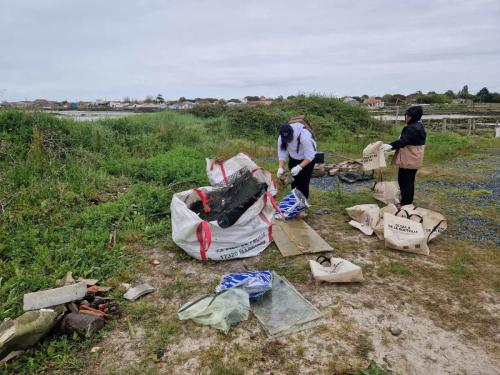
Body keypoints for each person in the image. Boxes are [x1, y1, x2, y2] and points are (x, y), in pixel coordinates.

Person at [383, 106, 426, 207]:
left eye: (407, 115)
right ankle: (409, 201)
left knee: (404, 181)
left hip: (408, 159)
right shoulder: (419, 126)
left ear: (412, 117)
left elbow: (404, 141)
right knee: (410, 180)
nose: (406, 117)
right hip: (415, 159)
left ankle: (405, 204)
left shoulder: (411, 128)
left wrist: (390, 145)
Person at [276, 115, 317, 198]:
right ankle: (294, 202)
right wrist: (280, 167)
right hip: (293, 158)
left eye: (289, 138)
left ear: (293, 133)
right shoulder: (281, 137)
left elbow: (310, 156)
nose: (288, 141)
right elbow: (282, 153)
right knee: (294, 182)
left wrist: (299, 167)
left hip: (307, 160)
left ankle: (303, 206)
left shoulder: (304, 135)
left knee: (303, 183)